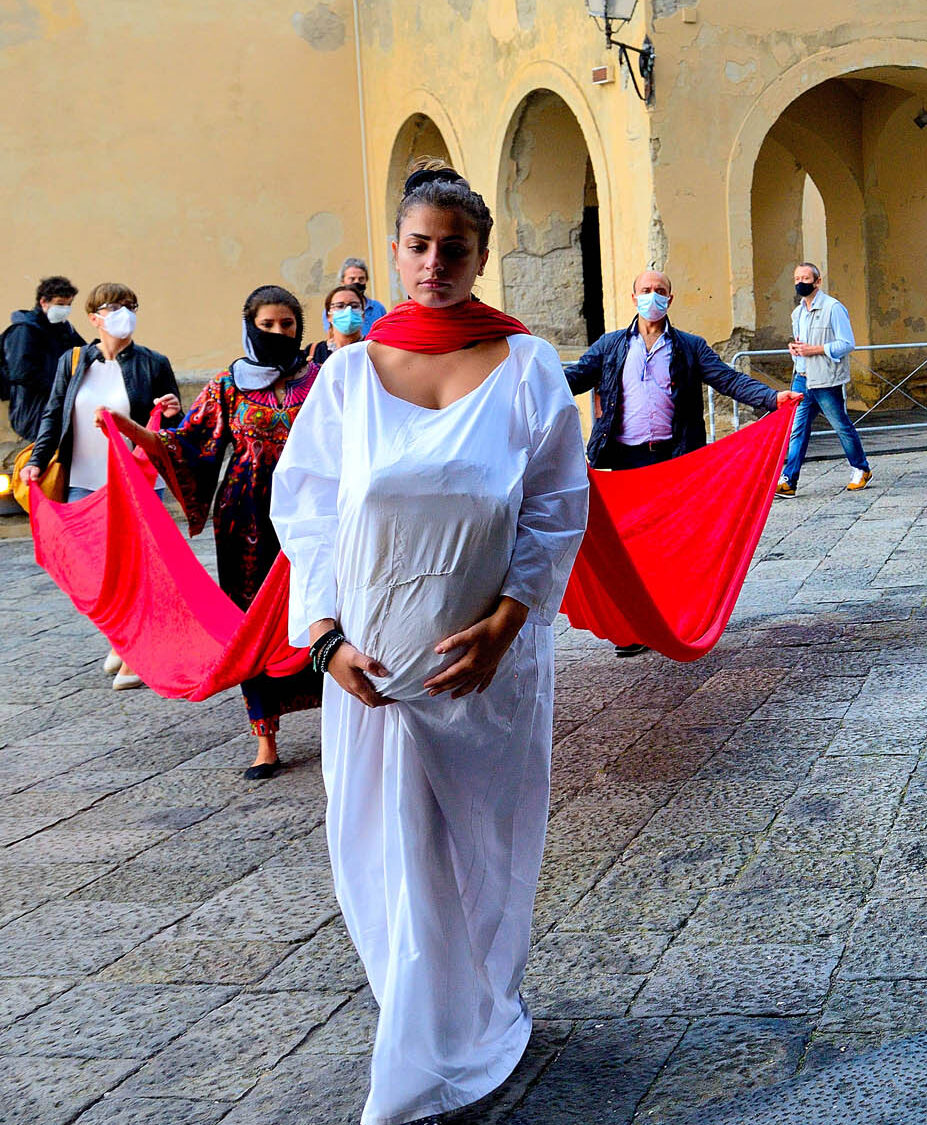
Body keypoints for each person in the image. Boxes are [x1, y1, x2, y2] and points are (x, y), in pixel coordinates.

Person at [271, 159, 588, 1123]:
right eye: (418, 245)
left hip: (487, 671)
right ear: (397, 250)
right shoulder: (350, 375)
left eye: (455, 247)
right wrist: (324, 637)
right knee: (387, 853)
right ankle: (419, 1037)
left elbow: (555, 507)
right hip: (371, 671)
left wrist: (508, 621)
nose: (435, 261)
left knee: (484, 852)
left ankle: (478, 1005)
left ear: (483, 255)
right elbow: (310, 513)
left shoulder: (528, 366)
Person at [109, 285, 321, 780]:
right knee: (251, 622)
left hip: (312, 515)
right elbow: (187, 443)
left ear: (299, 329)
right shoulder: (228, 383)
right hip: (246, 522)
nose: (277, 333)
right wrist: (136, 431)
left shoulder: (322, 379)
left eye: (286, 325)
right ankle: (264, 740)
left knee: (324, 609)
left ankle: (344, 722)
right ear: (250, 325)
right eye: (267, 325)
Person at [565, 268, 800, 655]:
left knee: (672, 545)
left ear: (670, 299)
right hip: (625, 461)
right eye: (646, 290)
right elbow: (576, 377)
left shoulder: (689, 346)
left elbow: (728, 379)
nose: (652, 296)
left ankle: (672, 618)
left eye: (660, 291)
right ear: (633, 295)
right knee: (627, 549)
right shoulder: (610, 346)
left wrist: (771, 398)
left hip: (676, 462)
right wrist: (531, 381)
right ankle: (634, 627)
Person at [21, 282, 181, 691]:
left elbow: (172, 429)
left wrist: (172, 412)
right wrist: (37, 462)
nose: (124, 312)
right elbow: (53, 414)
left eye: (131, 305)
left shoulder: (153, 362)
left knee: (136, 568)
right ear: (94, 318)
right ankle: (119, 636)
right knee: (95, 572)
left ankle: (134, 652)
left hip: (138, 481)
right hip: (83, 480)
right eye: (114, 307)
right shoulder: (74, 361)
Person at [777, 262, 872, 496]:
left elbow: (846, 343)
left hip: (827, 379)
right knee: (797, 429)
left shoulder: (833, 308)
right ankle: (789, 479)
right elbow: (802, 342)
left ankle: (861, 468)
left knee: (841, 426)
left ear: (817, 282)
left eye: (806, 279)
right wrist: (796, 349)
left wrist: (815, 349)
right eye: (797, 278)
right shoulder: (797, 313)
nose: (800, 283)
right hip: (802, 377)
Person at [4, 276, 85, 442]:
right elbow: (21, 372)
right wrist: (58, 387)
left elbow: (83, 352)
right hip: (32, 410)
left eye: (69, 305)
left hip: (55, 407)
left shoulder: (64, 329)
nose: (65, 309)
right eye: (60, 304)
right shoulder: (25, 330)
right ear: (43, 302)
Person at [323, 257, 388, 335]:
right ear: (342, 281)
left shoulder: (377, 307)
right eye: (352, 279)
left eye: (361, 279)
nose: (357, 282)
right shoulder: (334, 309)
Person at [311, 284, 368, 366]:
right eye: (340, 306)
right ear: (328, 316)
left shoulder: (374, 350)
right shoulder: (315, 352)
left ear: (363, 314)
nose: (348, 310)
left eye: (354, 306)